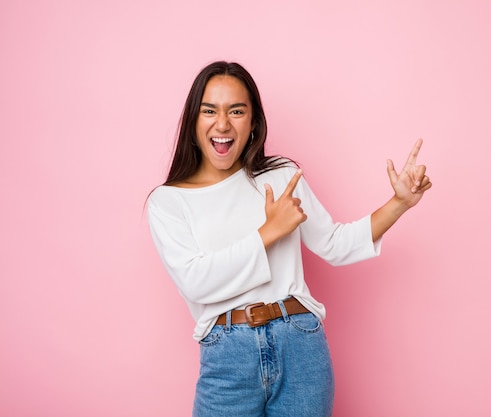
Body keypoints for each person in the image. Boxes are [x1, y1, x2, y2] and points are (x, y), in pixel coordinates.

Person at [147, 61, 432, 417]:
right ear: (193, 120)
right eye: (209, 111)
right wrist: (269, 232)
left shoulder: (280, 175)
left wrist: (400, 203)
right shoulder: (168, 201)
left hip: (299, 342)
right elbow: (195, 283)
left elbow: (336, 244)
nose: (222, 124)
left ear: (253, 122)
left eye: (237, 111)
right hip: (227, 355)